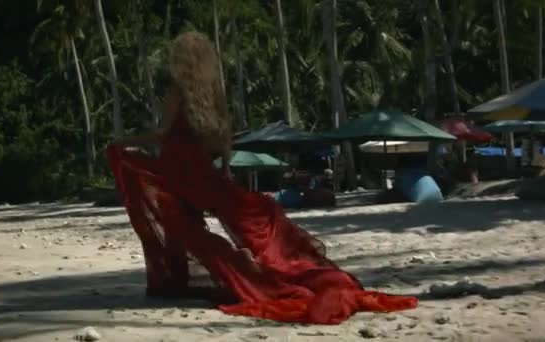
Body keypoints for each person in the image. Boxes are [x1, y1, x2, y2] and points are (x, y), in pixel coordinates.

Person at [108, 31, 417, 324]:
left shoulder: (175, 92)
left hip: (177, 170)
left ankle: (179, 281)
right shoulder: (212, 95)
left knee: (181, 225)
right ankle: (236, 276)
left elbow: (164, 134)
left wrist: (126, 142)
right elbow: (220, 142)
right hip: (202, 173)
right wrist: (223, 171)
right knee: (229, 225)